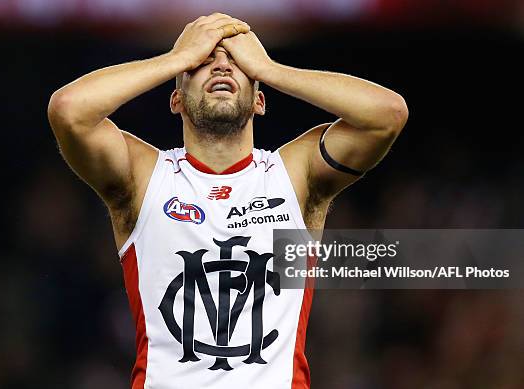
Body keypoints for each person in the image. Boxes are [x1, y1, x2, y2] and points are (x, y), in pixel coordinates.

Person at [47, 13, 407, 389]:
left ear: (260, 100)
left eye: (236, 62)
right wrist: (176, 57)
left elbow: (387, 115)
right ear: (176, 100)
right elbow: (69, 110)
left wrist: (269, 68)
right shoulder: (145, 176)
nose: (220, 64)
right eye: (203, 62)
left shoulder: (294, 174)